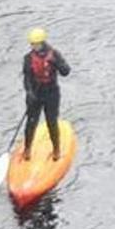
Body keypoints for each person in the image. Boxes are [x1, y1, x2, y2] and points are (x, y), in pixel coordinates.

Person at [22, 28, 71, 161]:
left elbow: (66, 72)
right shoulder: (28, 58)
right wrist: (29, 93)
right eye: (31, 44)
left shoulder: (54, 54)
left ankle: (56, 150)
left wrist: (56, 63)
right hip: (35, 94)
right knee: (31, 123)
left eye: (35, 44)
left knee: (51, 122)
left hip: (51, 94)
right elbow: (26, 78)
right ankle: (27, 149)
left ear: (42, 43)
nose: (33, 46)